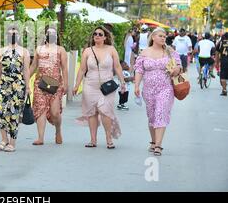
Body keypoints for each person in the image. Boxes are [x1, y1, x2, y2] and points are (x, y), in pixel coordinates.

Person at [73, 26, 125, 149]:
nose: (97, 36)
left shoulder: (111, 49)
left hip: (107, 86)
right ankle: (93, 140)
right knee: (92, 113)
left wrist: (122, 81)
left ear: (105, 37)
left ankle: (109, 138)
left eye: (100, 34)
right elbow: (82, 70)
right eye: (95, 34)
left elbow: (117, 67)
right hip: (90, 85)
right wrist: (76, 85)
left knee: (105, 111)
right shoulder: (87, 51)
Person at [134, 27, 182, 156]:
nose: (163, 38)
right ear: (153, 37)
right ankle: (154, 141)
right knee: (152, 116)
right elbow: (139, 70)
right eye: (160, 36)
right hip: (148, 90)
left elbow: (178, 66)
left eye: (164, 36)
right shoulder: (144, 52)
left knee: (160, 113)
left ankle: (158, 145)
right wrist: (136, 86)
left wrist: (175, 70)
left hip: (165, 88)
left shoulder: (169, 51)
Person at [0, 26, 31, 152]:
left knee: (14, 113)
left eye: (15, 33)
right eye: (10, 33)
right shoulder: (2, 50)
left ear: (19, 36)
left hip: (18, 85)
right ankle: (4, 139)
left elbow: (26, 70)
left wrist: (28, 86)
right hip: (3, 84)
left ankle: (12, 142)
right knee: (0, 111)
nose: (12, 35)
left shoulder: (24, 52)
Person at [30, 26, 68, 145]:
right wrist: (25, 79)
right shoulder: (39, 49)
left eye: (53, 34)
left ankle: (58, 131)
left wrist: (66, 84)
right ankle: (40, 137)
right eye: (48, 33)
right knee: (40, 109)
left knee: (55, 112)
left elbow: (65, 68)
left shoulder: (60, 50)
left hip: (55, 84)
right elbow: (33, 66)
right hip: (40, 83)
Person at [215, 32, 228, 96]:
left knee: (223, 76)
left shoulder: (221, 42)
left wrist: (216, 62)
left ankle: (224, 90)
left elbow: (217, 52)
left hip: (224, 60)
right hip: (224, 60)